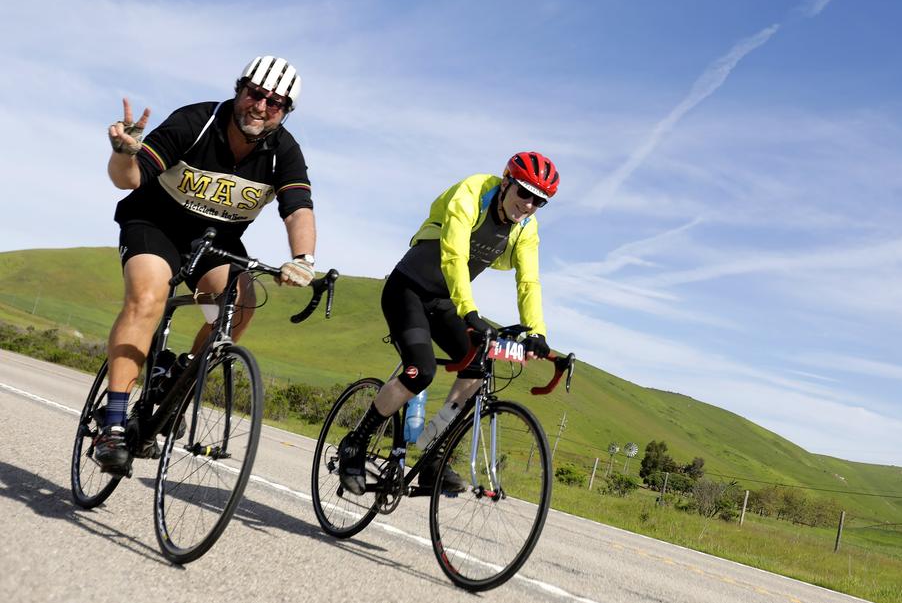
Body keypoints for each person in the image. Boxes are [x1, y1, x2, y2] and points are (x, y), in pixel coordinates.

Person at [94, 56, 318, 475]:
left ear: (285, 111)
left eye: (275, 102)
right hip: (156, 223)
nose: (261, 106)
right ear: (240, 90)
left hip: (216, 241)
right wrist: (122, 154)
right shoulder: (196, 121)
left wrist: (303, 259)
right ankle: (113, 422)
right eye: (255, 94)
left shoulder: (283, 150)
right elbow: (129, 178)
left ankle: (178, 376)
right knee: (148, 297)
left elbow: (298, 208)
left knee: (239, 305)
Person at [337, 151, 559, 495]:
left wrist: (537, 331)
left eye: (540, 201)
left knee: (477, 367)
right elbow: (454, 254)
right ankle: (355, 442)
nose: (529, 205)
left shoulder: (526, 227)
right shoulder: (471, 192)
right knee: (420, 371)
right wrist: (470, 313)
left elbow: (529, 281)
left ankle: (436, 455)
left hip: (446, 302)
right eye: (524, 193)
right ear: (506, 183)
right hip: (408, 289)